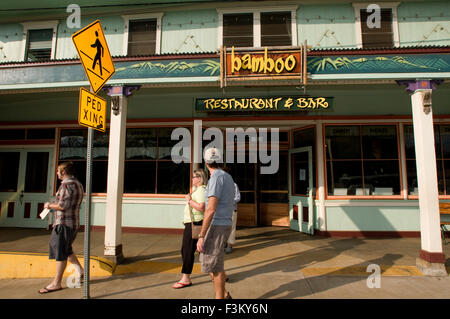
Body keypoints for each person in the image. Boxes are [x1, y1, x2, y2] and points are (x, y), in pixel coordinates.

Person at [39, 162, 84, 294]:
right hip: (73, 223)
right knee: (67, 250)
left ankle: (56, 283)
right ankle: (80, 271)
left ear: (64, 171)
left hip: (64, 224)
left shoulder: (66, 185)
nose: (57, 173)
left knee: (60, 253)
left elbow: (63, 205)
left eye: (58, 171)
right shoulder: (78, 184)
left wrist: (49, 205)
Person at [196, 147, 235, 299]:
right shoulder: (227, 177)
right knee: (212, 261)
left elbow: (210, 209)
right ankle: (224, 294)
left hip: (217, 225)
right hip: (224, 223)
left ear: (206, 163)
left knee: (215, 266)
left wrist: (201, 235)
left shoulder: (216, 178)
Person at [172, 169, 207, 289]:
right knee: (202, 250)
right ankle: (219, 274)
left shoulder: (202, 190)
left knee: (187, 251)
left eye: (194, 177)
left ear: (199, 178)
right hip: (192, 224)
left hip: (195, 224)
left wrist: (189, 200)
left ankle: (186, 278)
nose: (192, 179)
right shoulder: (198, 190)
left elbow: (202, 207)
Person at [226, 181, 240, 254]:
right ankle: (224, 243)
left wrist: (229, 202)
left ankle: (229, 245)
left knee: (231, 228)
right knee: (222, 227)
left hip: (231, 209)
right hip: (221, 210)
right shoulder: (219, 185)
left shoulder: (234, 185)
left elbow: (238, 197)